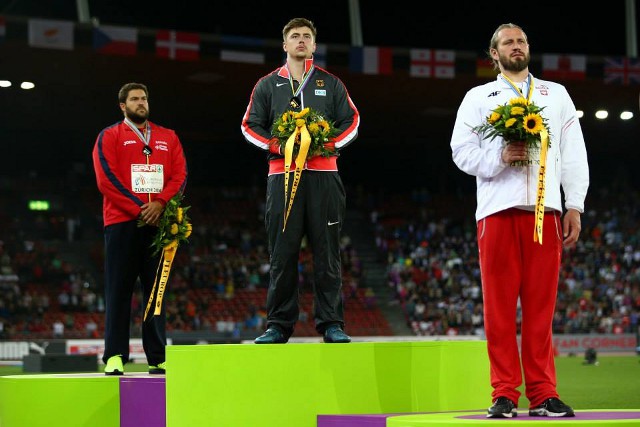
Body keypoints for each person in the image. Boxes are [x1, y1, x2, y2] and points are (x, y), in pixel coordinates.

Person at [450, 23, 589, 418]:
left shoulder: (555, 95)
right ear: (494, 53)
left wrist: (574, 203)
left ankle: (543, 393)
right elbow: (460, 151)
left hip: (547, 214)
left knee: (541, 309)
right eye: (508, 42)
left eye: (522, 40)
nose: (517, 46)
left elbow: (573, 152)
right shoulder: (479, 96)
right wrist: (498, 158)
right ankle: (505, 394)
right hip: (496, 211)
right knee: (498, 309)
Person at [241, 17, 360, 344]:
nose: (301, 40)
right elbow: (249, 126)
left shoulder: (330, 83)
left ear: (314, 44)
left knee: (328, 252)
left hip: (324, 177)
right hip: (282, 177)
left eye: (307, 36)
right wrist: (277, 145)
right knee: (282, 253)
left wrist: (328, 144)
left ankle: (332, 323)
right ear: (285, 45)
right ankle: (278, 325)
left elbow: (352, 120)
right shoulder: (267, 84)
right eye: (295, 36)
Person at [92, 82, 188, 375]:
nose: (140, 103)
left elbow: (180, 176)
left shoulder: (168, 137)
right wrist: (139, 208)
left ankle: (157, 357)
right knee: (119, 291)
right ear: (123, 106)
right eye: (134, 99)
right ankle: (115, 356)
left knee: (156, 293)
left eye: (144, 98)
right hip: (122, 223)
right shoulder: (109, 136)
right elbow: (105, 179)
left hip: (160, 225)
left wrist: (159, 204)